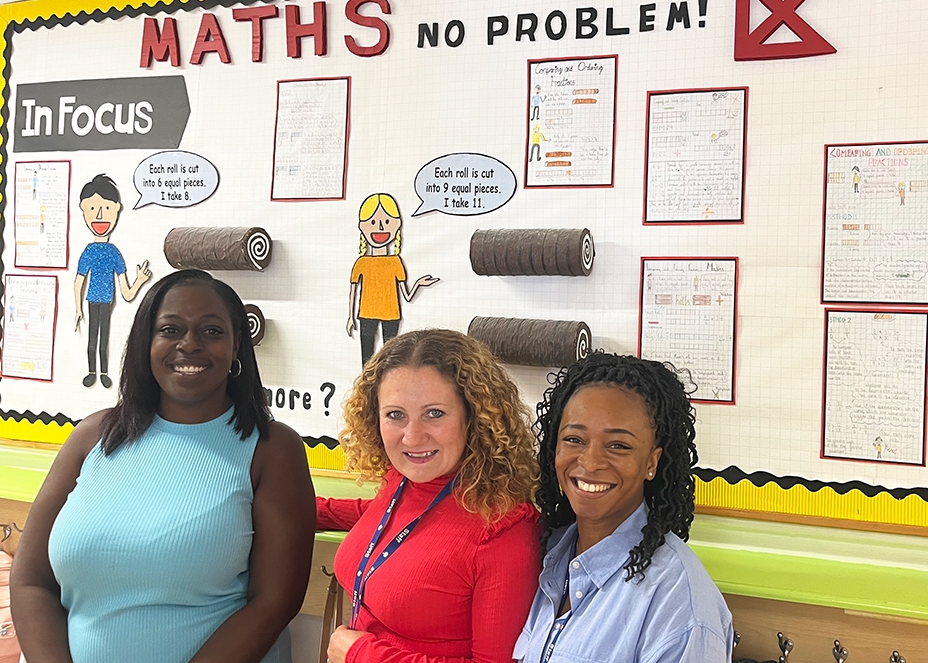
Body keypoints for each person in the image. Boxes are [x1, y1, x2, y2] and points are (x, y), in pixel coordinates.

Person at [11, 269, 315, 663]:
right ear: (145, 341)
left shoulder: (272, 449)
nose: (189, 345)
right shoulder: (93, 436)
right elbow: (31, 581)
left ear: (237, 344)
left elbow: (273, 604)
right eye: (170, 330)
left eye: (211, 331)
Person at [318, 329, 541, 663]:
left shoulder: (504, 531)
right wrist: (286, 508)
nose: (412, 437)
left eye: (434, 413)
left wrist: (363, 654)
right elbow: (389, 520)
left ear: (474, 417)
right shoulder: (404, 480)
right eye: (395, 415)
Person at [515, 352, 734, 663]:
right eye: (574, 439)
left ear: (651, 462)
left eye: (618, 445)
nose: (590, 462)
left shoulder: (679, 605)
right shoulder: (547, 553)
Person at [73, 173, 153, 388]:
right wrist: (78, 308)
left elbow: (126, 293)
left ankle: (104, 372)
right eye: (92, 209)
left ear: (116, 209)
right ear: (83, 209)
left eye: (106, 208)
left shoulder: (115, 253)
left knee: (103, 342)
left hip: (107, 301)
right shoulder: (89, 251)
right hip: (91, 300)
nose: (99, 215)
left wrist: (139, 280)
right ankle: (92, 372)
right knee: (92, 341)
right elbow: (79, 280)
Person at [346, 193, 438, 366]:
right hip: (366, 314)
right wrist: (350, 317)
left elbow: (407, 296)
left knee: (391, 361)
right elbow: (353, 292)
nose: (380, 227)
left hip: (391, 315)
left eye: (387, 222)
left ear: (397, 225)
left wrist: (418, 284)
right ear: (362, 226)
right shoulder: (362, 263)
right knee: (367, 360)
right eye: (373, 222)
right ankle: (368, 390)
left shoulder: (395, 262)